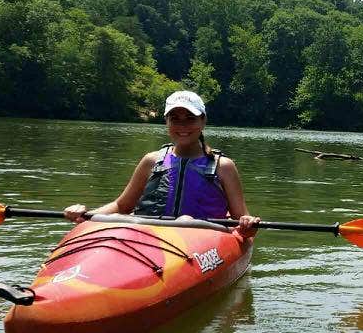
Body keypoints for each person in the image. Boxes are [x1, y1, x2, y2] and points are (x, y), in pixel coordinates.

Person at [63, 90, 260, 236]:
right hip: (149, 235)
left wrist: (247, 224)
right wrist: (86, 215)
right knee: (115, 220)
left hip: (202, 239)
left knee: (185, 221)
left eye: (190, 118)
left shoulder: (223, 166)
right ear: (167, 122)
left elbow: (242, 222)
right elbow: (121, 206)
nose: (182, 126)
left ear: (203, 121)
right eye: (175, 119)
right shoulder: (151, 161)